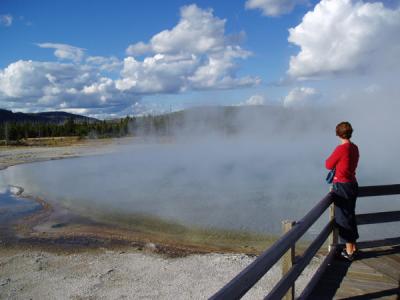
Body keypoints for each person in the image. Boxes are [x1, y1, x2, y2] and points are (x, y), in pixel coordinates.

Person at [326, 121, 360, 261]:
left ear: (338, 133)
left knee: (343, 218)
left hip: (342, 186)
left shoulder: (341, 149)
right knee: (350, 215)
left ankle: (349, 252)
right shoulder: (354, 147)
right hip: (352, 184)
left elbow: (328, 164)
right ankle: (352, 247)